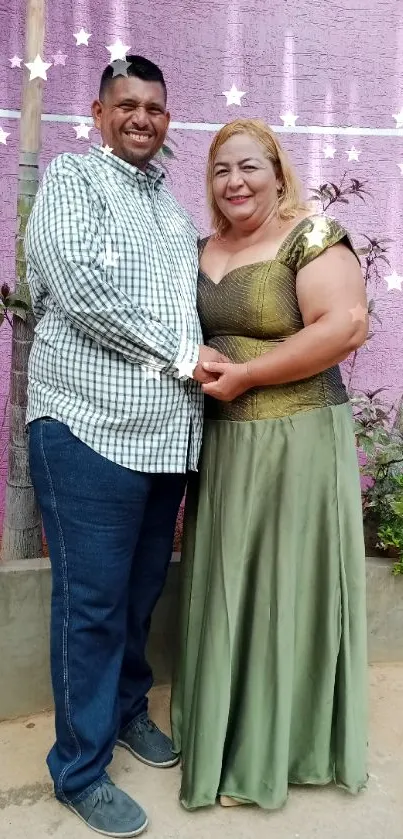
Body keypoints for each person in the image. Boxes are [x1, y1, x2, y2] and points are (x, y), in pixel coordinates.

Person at [25, 56, 225, 837]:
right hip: (85, 428)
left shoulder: (173, 212)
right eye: (127, 105)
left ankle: (128, 710)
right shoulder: (75, 182)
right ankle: (78, 767)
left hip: (161, 441)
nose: (142, 118)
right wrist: (181, 358)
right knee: (93, 605)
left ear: (167, 119)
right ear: (99, 111)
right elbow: (75, 285)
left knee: (139, 597)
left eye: (155, 108)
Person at [171, 118, 369, 811]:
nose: (235, 182)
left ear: (278, 172)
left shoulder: (309, 236)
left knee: (284, 584)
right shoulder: (201, 247)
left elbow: (344, 325)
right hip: (224, 443)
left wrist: (250, 378)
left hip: (296, 437)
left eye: (249, 167)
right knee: (231, 586)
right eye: (222, 170)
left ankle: (277, 748)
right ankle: (224, 733)